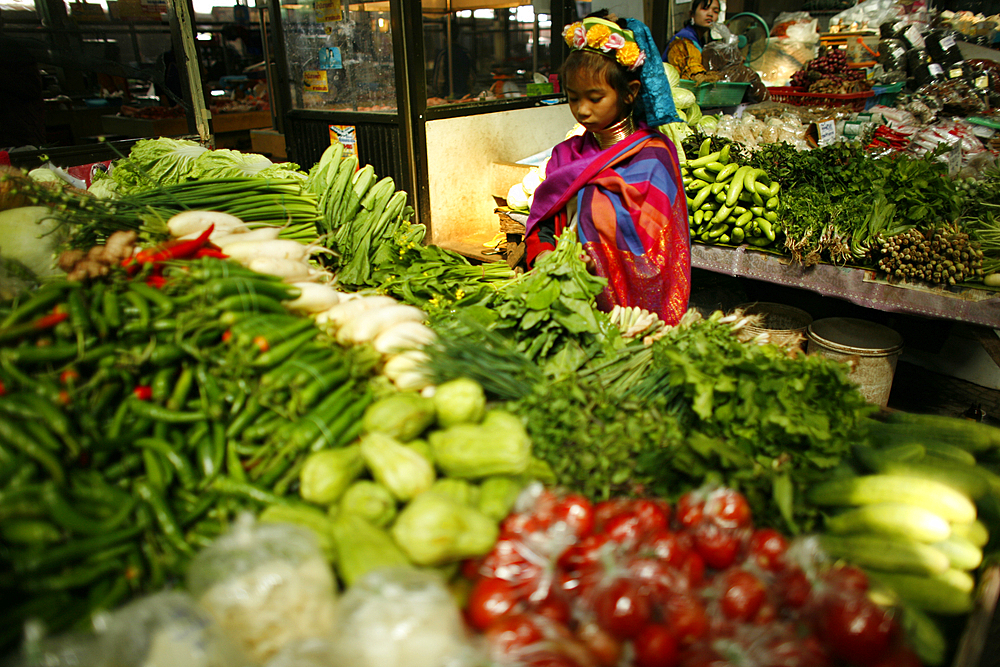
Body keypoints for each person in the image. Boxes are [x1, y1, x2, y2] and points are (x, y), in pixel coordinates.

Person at [524, 14, 690, 325]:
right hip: (567, 304)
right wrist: (546, 256)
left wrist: (594, 263)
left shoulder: (653, 159)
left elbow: (659, 254)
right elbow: (544, 223)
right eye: (573, 99)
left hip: (632, 319)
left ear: (630, 92)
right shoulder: (566, 156)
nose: (583, 109)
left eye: (595, 98)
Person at [663, 0, 723, 83]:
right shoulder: (685, 38)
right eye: (705, 9)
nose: (710, 14)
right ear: (692, 14)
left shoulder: (700, 39)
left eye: (715, 11)